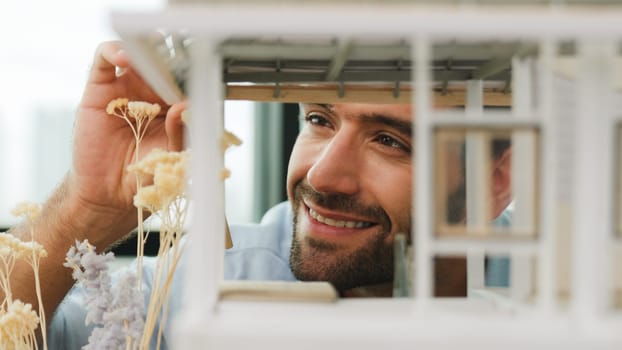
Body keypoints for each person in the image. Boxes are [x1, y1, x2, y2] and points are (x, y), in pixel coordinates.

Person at [4, 41, 513, 348]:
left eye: (390, 141)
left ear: (496, 183)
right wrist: (87, 208)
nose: (323, 176)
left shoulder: (558, 293)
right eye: (318, 119)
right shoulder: (216, 276)